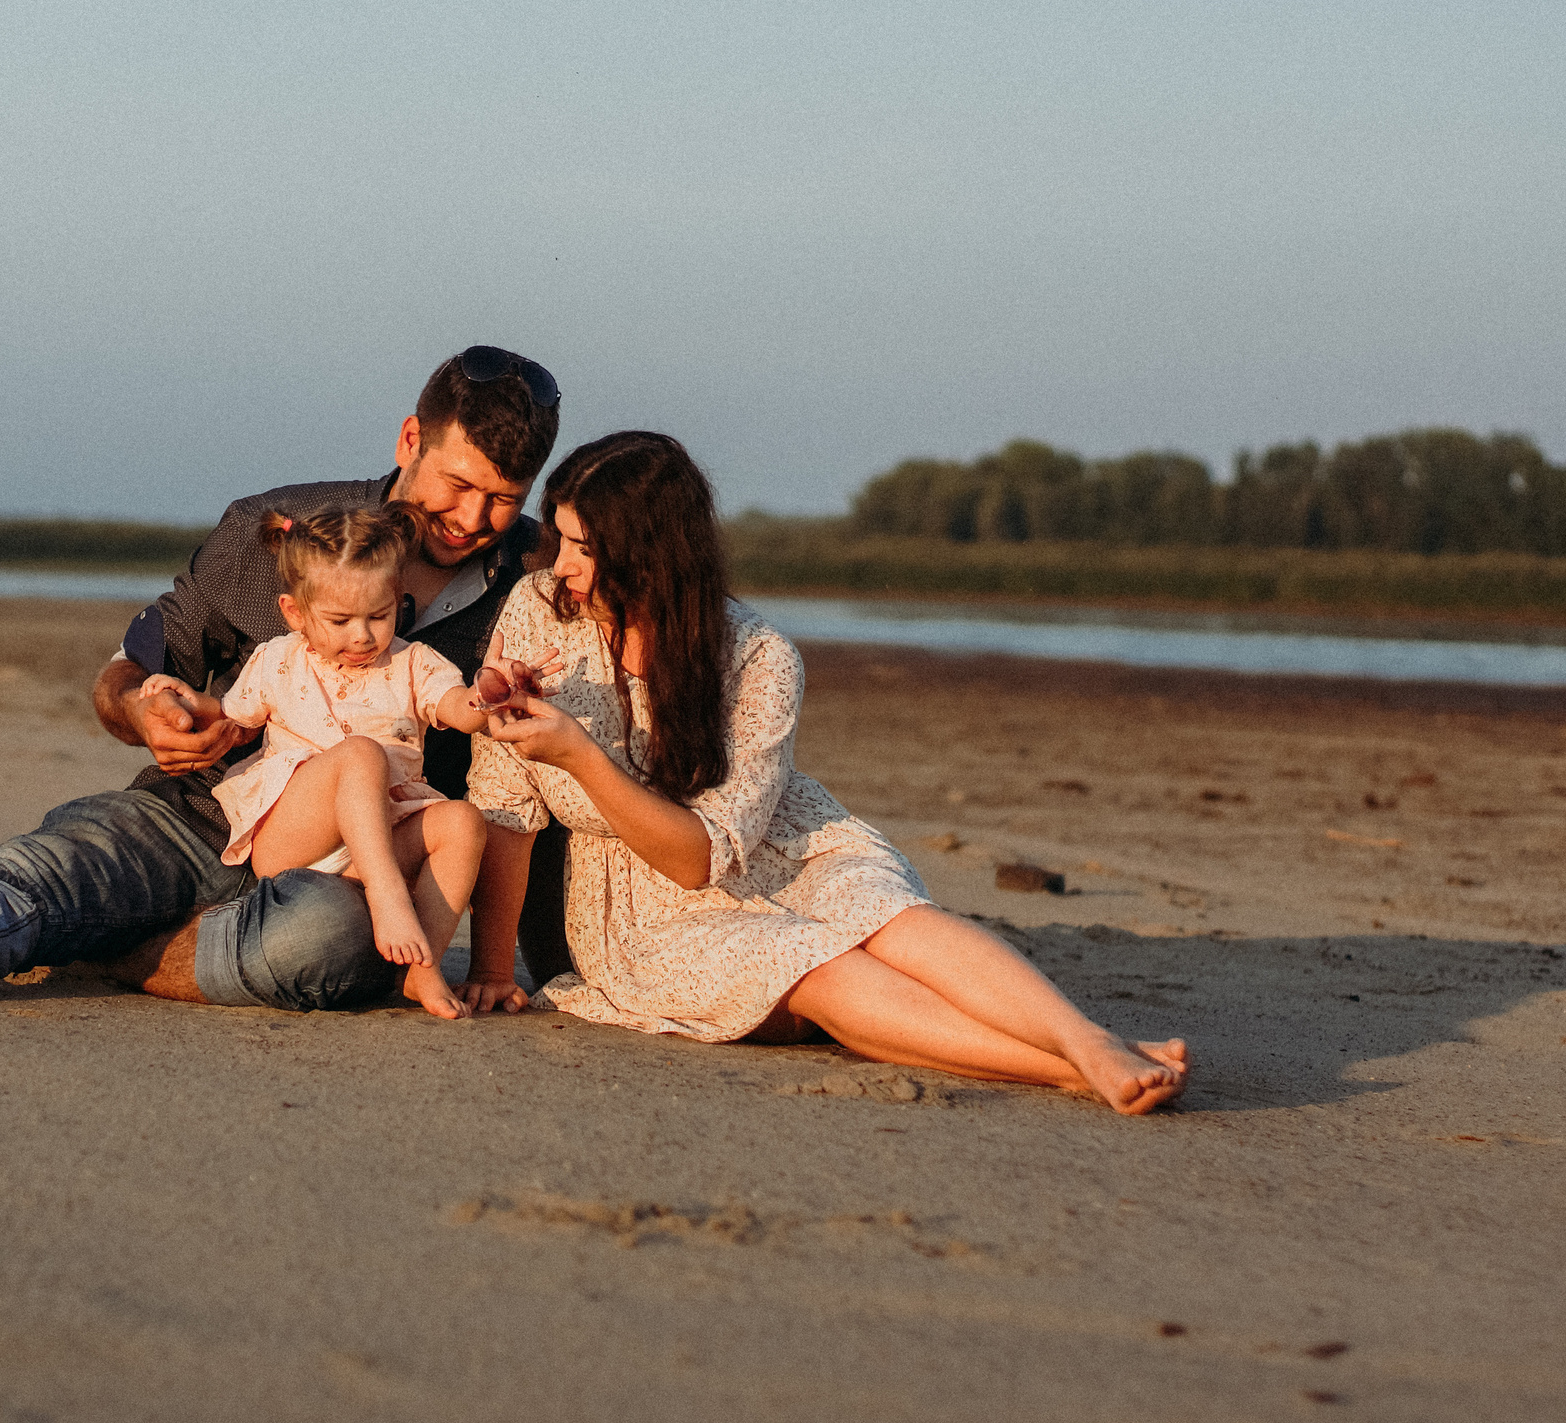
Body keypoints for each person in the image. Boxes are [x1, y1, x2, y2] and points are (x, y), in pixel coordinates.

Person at [0, 346, 568, 1011]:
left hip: (358, 874)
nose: (472, 519)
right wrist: (145, 708)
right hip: (199, 811)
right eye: (458, 485)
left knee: (327, 944)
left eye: (504, 498)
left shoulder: (541, 582)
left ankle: (133, 949)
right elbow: (133, 668)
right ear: (408, 441)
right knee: (46, 877)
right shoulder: (270, 530)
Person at [461, 431, 1191, 1114]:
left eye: (584, 547)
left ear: (651, 551)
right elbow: (508, 809)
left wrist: (580, 755)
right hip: (647, 911)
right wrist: (495, 969)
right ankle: (1070, 1068)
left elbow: (709, 850)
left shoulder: (758, 656)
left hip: (780, 845)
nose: (562, 566)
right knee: (824, 965)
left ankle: (1085, 1034)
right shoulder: (539, 612)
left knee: (895, 919)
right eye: (560, 539)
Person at [141, 503, 542, 1018]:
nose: (361, 636)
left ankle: (421, 969)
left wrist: (490, 693)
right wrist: (186, 700)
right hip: (295, 838)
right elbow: (232, 720)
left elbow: (459, 710)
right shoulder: (277, 660)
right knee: (361, 755)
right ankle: (390, 899)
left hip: (377, 840)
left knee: (463, 822)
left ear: (398, 602)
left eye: (378, 616)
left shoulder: (412, 663)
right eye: (339, 620)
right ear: (295, 612)